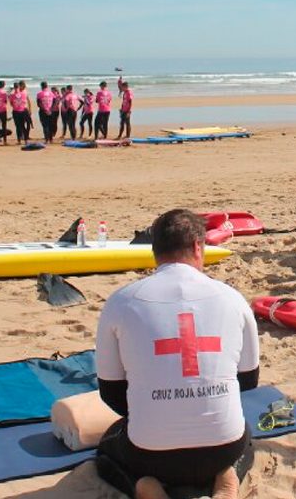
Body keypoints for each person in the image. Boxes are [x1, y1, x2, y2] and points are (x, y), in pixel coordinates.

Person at [95, 210, 258, 499]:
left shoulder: (121, 301)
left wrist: (155, 411)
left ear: (154, 250)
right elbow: (248, 380)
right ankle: (227, 475)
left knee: (107, 449)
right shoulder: (233, 298)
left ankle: (144, 486)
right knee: (245, 438)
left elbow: (110, 392)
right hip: (222, 448)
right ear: (197, 246)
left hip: (150, 455)